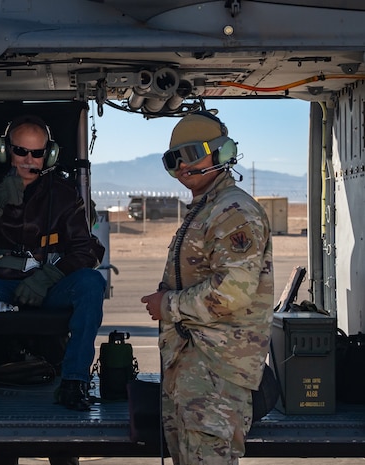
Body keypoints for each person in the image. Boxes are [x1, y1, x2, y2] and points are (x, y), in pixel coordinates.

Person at [0, 114, 106, 412]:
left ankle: (74, 382)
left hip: (48, 287)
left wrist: (48, 277)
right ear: (6, 151)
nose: (29, 160)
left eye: (38, 153)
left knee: (92, 282)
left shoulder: (65, 196)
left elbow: (87, 251)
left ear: (49, 156)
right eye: (21, 151)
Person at [140, 111, 274, 465]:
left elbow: (233, 291)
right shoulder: (208, 208)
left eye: (193, 155)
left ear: (221, 154)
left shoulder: (233, 211)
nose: (184, 167)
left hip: (215, 370)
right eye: (174, 160)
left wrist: (167, 306)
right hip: (195, 365)